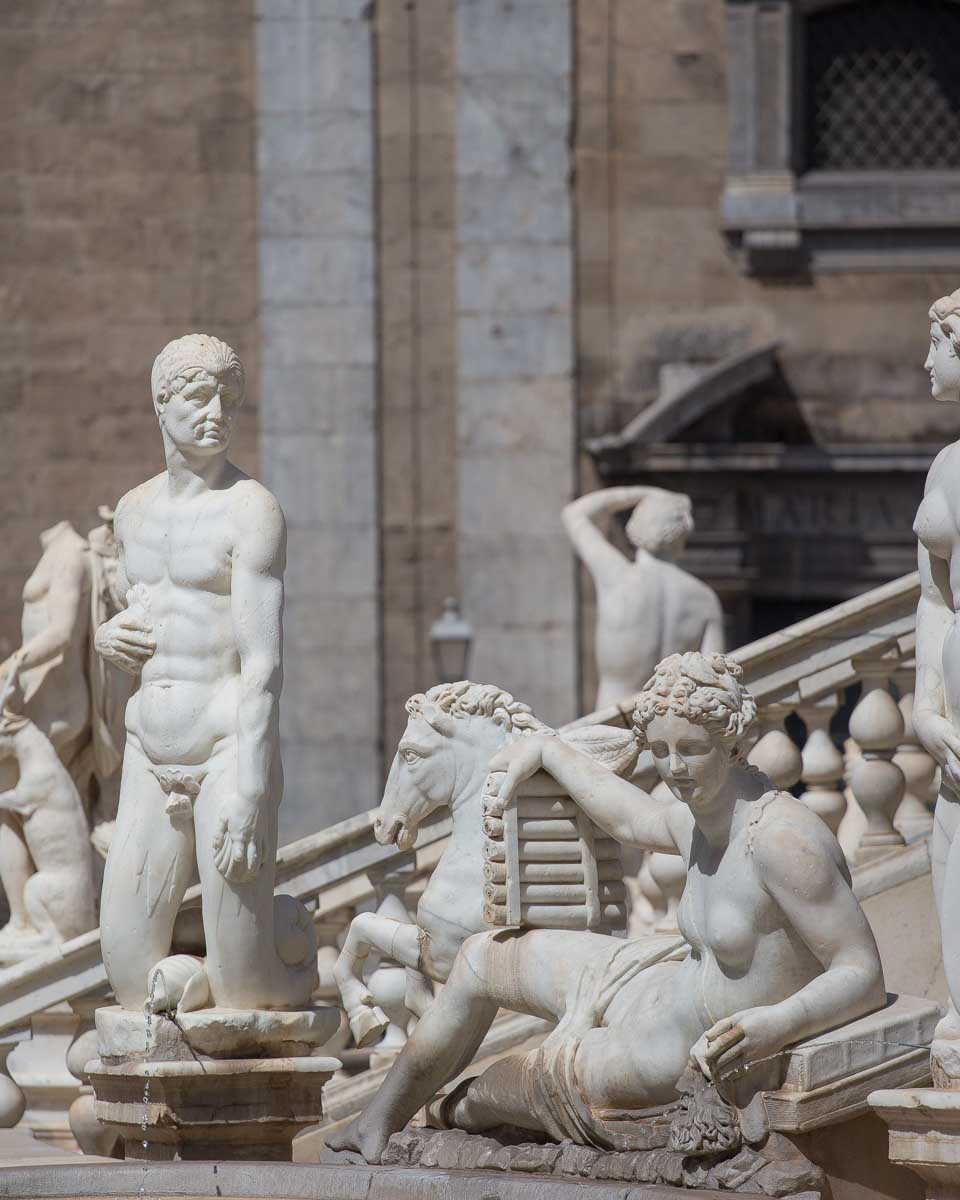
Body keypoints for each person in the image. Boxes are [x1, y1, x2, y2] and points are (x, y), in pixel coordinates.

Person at [329, 652, 884, 1162]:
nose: (675, 769)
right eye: (661, 751)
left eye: (692, 750)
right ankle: (375, 1121)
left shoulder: (783, 842)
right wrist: (550, 750)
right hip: (648, 979)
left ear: (734, 743)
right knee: (480, 957)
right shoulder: (700, 816)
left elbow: (862, 973)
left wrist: (777, 1023)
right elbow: (630, 819)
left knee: (490, 1094)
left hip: (657, 1056)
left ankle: (441, 1120)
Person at [94, 333, 316, 1011]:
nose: (216, 411)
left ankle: (289, 958)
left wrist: (251, 788)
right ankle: (190, 982)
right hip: (147, 748)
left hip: (225, 749)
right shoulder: (131, 514)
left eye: (228, 398)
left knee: (248, 987)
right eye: (198, 396)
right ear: (162, 404)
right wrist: (107, 640)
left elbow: (264, 661)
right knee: (127, 973)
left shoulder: (251, 509)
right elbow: (129, 630)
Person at [563, 486, 725, 710]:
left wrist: (643, 494)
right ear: (684, 530)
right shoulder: (705, 598)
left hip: (613, 721)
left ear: (636, 526)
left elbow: (575, 514)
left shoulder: (616, 575)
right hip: (671, 726)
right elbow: (715, 683)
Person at [912, 286, 960, 1032]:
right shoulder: (948, 462)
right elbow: (933, 598)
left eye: (938, 344)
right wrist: (923, 708)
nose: (926, 361)